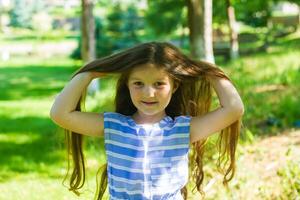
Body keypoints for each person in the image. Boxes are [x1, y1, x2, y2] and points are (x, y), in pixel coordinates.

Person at [50, 41, 244, 200]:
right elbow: (61, 114)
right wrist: (88, 73)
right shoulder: (114, 127)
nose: (149, 93)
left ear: (174, 86)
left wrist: (209, 71)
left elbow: (234, 108)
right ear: (127, 85)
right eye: (138, 83)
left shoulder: (183, 129)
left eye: (159, 84)